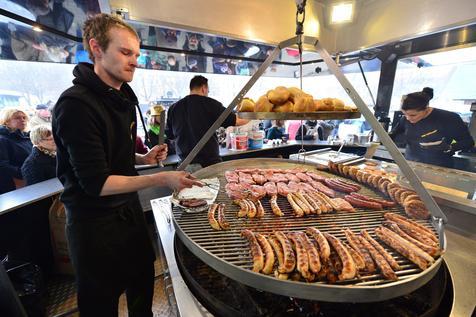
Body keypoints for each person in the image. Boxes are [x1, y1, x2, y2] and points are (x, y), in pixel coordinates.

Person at [52, 13, 202, 316]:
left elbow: (108, 154)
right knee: (100, 304)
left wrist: (142, 159)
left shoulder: (121, 97)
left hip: (127, 213)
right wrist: (161, 177)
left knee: (142, 285)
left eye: (136, 54)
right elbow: (96, 182)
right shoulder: (76, 106)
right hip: (93, 224)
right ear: (96, 48)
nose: (134, 61)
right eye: (125, 52)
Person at [166, 75, 248, 169]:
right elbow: (237, 121)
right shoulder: (211, 104)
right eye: (208, 91)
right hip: (209, 165)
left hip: (184, 165)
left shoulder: (174, 108)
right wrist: (257, 115)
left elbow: (170, 136)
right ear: (204, 88)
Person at [390, 87, 474, 168]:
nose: (408, 118)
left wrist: (449, 147)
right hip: (410, 165)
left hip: (438, 167)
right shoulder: (405, 119)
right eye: (405, 114)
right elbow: (394, 134)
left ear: (426, 109)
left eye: (413, 115)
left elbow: (468, 142)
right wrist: (388, 136)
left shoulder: (449, 118)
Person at [0, 107, 32, 194]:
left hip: (32, 180)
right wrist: (25, 173)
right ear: (6, 121)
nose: (22, 120)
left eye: (24, 117)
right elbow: (2, 166)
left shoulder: (27, 136)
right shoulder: (2, 139)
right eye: (17, 118)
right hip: (16, 186)